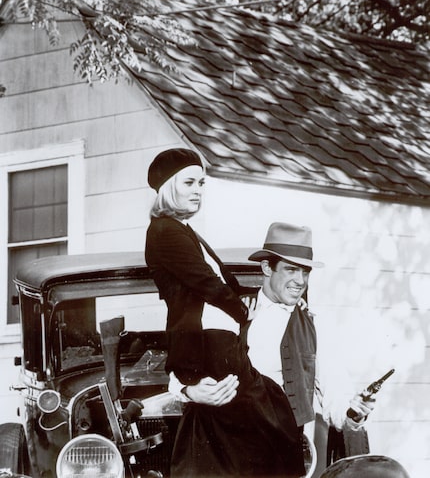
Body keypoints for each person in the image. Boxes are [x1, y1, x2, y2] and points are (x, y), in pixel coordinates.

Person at [145, 149, 306, 478]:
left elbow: (223, 283)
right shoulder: (164, 231)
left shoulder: (184, 231)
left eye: (201, 183)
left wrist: (270, 301)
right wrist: (244, 312)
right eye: (189, 182)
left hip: (223, 342)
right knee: (265, 416)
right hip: (207, 343)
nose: (198, 190)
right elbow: (207, 283)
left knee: (268, 412)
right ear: (168, 188)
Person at [170, 222, 376, 470]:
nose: (300, 281)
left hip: (283, 455)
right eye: (291, 270)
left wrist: (355, 411)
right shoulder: (233, 309)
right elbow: (184, 367)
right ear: (267, 268)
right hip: (227, 454)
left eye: (305, 272)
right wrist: (189, 391)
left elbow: (335, 397)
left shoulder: (314, 326)